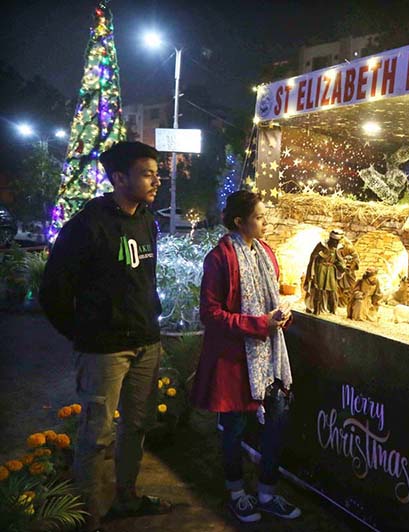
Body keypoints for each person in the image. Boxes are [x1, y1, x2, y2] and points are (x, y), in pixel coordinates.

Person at [39, 141, 170, 531]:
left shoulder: (147, 219)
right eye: (147, 173)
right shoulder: (86, 225)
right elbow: (53, 292)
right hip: (104, 350)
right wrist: (84, 333)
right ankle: (88, 516)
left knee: (137, 426)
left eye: (155, 172)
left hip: (147, 341)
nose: (156, 180)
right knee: (96, 435)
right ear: (118, 178)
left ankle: (126, 498)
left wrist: (151, 319)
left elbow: (143, 280)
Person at [190, 190, 301, 523]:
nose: (266, 221)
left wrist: (281, 317)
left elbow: (273, 298)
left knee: (276, 426)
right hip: (234, 361)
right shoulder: (220, 258)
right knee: (234, 429)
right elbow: (210, 314)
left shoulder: (266, 252)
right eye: (260, 216)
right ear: (240, 221)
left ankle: (267, 492)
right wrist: (259, 324)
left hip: (270, 360)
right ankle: (237, 492)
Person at [303, 229, 345, 314]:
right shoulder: (322, 245)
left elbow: (337, 259)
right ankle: (316, 309)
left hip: (331, 271)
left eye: (338, 241)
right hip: (320, 270)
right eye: (335, 241)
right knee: (319, 289)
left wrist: (341, 266)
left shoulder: (336, 248)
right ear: (331, 239)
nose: (336, 243)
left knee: (332, 290)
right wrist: (320, 256)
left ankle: (332, 310)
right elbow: (313, 256)